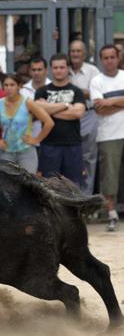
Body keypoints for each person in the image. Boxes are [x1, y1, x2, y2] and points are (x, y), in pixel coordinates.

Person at [33, 53, 85, 185]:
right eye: (55, 68)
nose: (58, 70)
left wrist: (48, 109)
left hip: (72, 143)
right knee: (49, 186)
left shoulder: (76, 91)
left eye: (62, 67)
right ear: (51, 69)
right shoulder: (41, 91)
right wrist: (67, 106)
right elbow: (38, 113)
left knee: (73, 186)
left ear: (68, 68)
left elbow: (78, 113)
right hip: (49, 144)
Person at [0, 74, 54, 173]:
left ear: (19, 86)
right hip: (7, 152)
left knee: (27, 185)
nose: (9, 88)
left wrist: (36, 140)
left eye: (12, 85)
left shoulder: (27, 103)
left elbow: (49, 122)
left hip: (26, 152)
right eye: (6, 85)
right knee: (7, 185)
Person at [90, 44, 124, 231]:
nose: (110, 61)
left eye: (113, 57)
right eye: (106, 58)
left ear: (118, 58)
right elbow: (99, 109)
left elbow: (106, 105)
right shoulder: (97, 81)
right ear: (101, 60)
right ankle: (112, 214)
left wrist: (110, 101)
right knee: (109, 178)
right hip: (108, 135)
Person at [69, 40, 101, 195]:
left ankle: (86, 195)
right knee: (71, 157)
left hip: (88, 115)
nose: (75, 54)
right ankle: (73, 196)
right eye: (73, 51)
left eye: (78, 51)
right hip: (67, 117)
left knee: (88, 158)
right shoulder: (64, 69)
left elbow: (96, 94)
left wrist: (74, 91)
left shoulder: (93, 71)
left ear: (84, 54)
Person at [20, 56, 51, 142]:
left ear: (46, 70)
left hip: (50, 139)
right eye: (34, 70)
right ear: (29, 71)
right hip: (29, 139)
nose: (36, 73)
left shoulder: (54, 88)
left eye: (39, 70)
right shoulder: (23, 91)